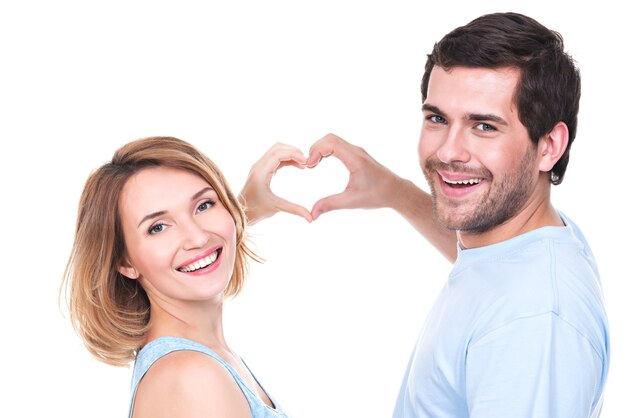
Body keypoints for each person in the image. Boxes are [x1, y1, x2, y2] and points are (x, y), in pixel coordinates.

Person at [247, 12, 610, 417]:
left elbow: (513, 304)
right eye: (437, 119)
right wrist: (393, 191)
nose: (448, 151)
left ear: (549, 146)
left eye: (484, 126)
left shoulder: (533, 323)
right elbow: (491, 270)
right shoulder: (528, 245)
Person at [62, 137, 308, 418]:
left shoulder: (199, 360)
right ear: (125, 262)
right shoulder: (193, 378)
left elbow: (210, 237)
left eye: (203, 206)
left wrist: (242, 210)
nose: (198, 237)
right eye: (158, 227)